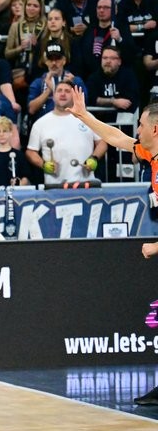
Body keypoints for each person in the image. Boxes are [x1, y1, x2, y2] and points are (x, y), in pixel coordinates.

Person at [65, 87, 158, 335]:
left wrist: (156, 246)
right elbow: (117, 138)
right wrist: (84, 116)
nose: (137, 130)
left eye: (140, 125)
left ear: (155, 129)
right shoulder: (151, 154)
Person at [26, 80, 107, 185]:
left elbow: (102, 142)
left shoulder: (87, 117)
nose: (63, 94)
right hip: (54, 186)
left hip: (85, 183)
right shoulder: (41, 123)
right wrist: (43, 164)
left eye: (67, 91)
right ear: (53, 96)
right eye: (59, 91)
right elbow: (31, 152)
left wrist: (94, 158)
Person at [0, 116, 31, 186]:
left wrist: (19, 184)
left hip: (15, 195)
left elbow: (25, 177)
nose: (1, 134)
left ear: (11, 133)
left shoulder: (19, 155)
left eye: (5, 131)